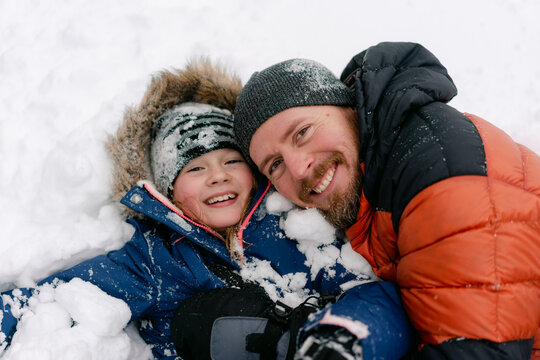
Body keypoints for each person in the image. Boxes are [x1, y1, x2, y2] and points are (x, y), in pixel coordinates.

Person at [0, 59, 414, 359]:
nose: (218, 176)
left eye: (231, 161)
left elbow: (374, 292)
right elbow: (59, 301)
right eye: (196, 168)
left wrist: (339, 338)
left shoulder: (294, 221)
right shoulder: (155, 258)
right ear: (169, 193)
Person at [233, 41, 540, 359]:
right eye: (276, 164)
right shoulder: (379, 179)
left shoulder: (437, 171)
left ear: (348, 107)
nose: (298, 169)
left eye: (302, 133)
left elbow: (479, 351)